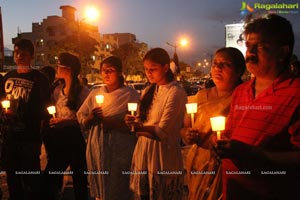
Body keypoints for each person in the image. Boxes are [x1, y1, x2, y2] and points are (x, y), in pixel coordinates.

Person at [214, 14, 300, 199]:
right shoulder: (241, 91)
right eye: (248, 46)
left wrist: (254, 154)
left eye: (260, 46)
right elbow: (230, 135)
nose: (250, 53)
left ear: (283, 52)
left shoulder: (295, 93)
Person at [181, 47, 246, 200]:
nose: (218, 68)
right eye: (215, 63)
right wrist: (186, 134)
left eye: (225, 64)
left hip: (226, 163)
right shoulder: (201, 96)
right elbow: (185, 127)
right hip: (198, 161)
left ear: (238, 71)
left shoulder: (244, 97)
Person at [125, 48, 187, 200]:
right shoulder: (148, 91)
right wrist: (133, 122)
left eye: (153, 69)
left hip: (163, 154)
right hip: (144, 151)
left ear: (166, 67)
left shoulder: (175, 92)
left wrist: (137, 128)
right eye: (146, 69)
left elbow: (162, 132)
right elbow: (141, 121)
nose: (149, 73)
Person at [77, 56, 140, 200]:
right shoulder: (95, 94)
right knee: (101, 185)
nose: (106, 74)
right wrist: (90, 118)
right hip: (97, 146)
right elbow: (81, 118)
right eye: (104, 70)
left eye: (110, 70)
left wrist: (113, 123)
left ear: (119, 72)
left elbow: (135, 125)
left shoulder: (130, 95)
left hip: (120, 148)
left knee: (119, 186)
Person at [0, 38, 51, 200]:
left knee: (31, 179)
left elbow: (46, 108)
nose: (19, 56)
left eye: (23, 53)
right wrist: (5, 113)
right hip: (9, 138)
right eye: (16, 52)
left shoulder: (39, 79)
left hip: (29, 138)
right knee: (12, 178)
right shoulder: (8, 77)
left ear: (32, 56)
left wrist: (24, 114)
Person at [42, 52, 89, 200]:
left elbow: (87, 120)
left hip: (76, 140)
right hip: (59, 140)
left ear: (68, 69)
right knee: (51, 175)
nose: (56, 68)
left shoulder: (83, 92)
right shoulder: (57, 91)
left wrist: (66, 122)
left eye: (59, 65)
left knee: (79, 179)